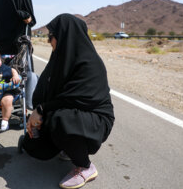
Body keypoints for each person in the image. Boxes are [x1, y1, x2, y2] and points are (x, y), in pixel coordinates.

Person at [22, 14, 115, 189]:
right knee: (33, 147)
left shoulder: (90, 63)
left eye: (51, 36)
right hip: (69, 113)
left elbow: (75, 99)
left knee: (60, 120)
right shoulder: (59, 60)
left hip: (95, 119)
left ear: (65, 35)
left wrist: (42, 109)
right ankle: (67, 146)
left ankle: (85, 167)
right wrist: (36, 117)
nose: (49, 40)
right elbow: (46, 91)